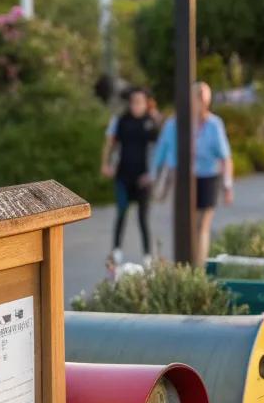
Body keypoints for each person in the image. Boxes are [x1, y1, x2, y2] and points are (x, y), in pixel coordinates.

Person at [153, 81, 233, 266]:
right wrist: (154, 175)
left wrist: (227, 185)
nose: (202, 105)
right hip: (182, 177)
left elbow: (225, 157)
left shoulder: (214, 124)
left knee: (201, 226)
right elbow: (162, 150)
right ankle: (185, 264)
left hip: (207, 177)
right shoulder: (175, 123)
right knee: (185, 223)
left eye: (205, 100)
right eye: (198, 100)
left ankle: (198, 267)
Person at [100, 86, 158, 262]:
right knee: (122, 212)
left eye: (140, 102)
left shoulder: (151, 122)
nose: (136, 106)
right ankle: (116, 251)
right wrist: (106, 164)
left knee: (143, 217)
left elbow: (159, 150)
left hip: (143, 178)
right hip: (123, 176)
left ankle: (148, 255)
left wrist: (152, 174)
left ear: (146, 104)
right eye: (133, 102)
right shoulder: (121, 121)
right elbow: (110, 143)